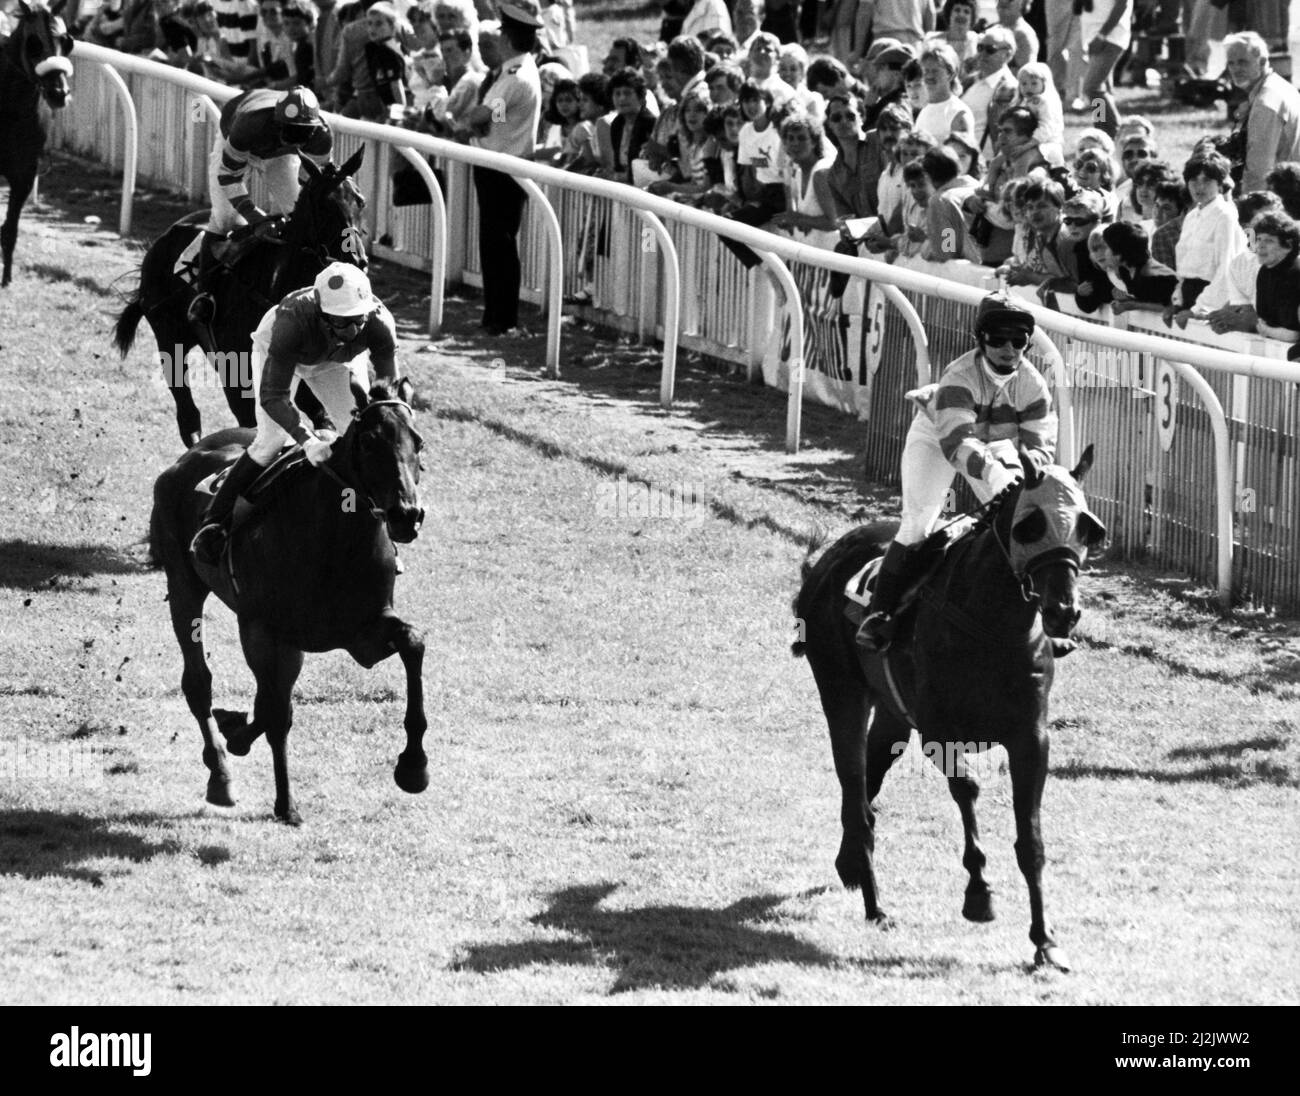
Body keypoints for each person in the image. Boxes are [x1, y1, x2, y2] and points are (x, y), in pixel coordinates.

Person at [856, 295, 1056, 652]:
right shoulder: (960, 375)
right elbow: (957, 445)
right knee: (918, 522)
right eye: (998, 339)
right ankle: (880, 613)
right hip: (939, 439)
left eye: (1019, 340)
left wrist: (1027, 473)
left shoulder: (1034, 385)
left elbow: (1039, 447)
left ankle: (1042, 622)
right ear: (980, 338)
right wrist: (994, 474)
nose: (1009, 349)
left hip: (994, 443)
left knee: (1017, 522)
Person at [190, 262, 400, 565]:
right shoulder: (290, 323)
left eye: (359, 321)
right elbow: (273, 397)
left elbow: (388, 395)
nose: (353, 331)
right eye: (343, 323)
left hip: (336, 363)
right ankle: (213, 521)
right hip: (280, 350)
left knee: (364, 435)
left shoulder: (380, 324)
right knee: (271, 439)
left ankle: (381, 533)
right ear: (323, 316)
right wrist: (306, 439)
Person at [188, 86, 333, 326]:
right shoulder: (250, 124)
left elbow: (316, 188)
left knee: (301, 215)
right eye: (291, 130)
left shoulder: (321, 135)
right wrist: (255, 216)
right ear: (278, 122)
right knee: (225, 219)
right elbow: (229, 176)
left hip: (279, 155)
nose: (296, 137)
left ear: (314, 128)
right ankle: (205, 295)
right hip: (235, 143)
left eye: (303, 132)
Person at [459, 2, 542, 336]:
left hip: (504, 169)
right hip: (499, 163)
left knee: (500, 245)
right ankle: (495, 315)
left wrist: (474, 122)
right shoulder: (514, 71)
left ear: (508, 38)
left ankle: (502, 318)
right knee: (495, 243)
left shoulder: (515, 75)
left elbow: (480, 117)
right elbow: (489, 116)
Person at [1225, 32, 1300, 193]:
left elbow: (1258, 171)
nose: (1235, 69)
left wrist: (1247, 210)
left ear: (1263, 62)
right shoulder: (1280, 86)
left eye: (1243, 62)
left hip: (1287, 199)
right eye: (1231, 63)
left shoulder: (1266, 104)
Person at [961, 25, 1017, 158]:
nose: (982, 54)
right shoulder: (970, 81)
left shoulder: (1009, 89)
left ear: (1007, 54)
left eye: (990, 50)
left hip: (983, 161)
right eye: (980, 48)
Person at [1251, 211, 1300, 345]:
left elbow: (1293, 334)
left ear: (1288, 246)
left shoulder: (1295, 274)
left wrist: (1267, 330)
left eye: (1269, 240)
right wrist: (1267, 329)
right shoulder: (1265, 270)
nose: (1260, 245)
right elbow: (1263, 320)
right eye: (1259, 239)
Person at [914, 42, 974, 143]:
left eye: (935, 71)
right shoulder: (924, 110)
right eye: (926, 71)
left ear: (950, 74)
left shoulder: (957, 113)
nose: (929, 76)